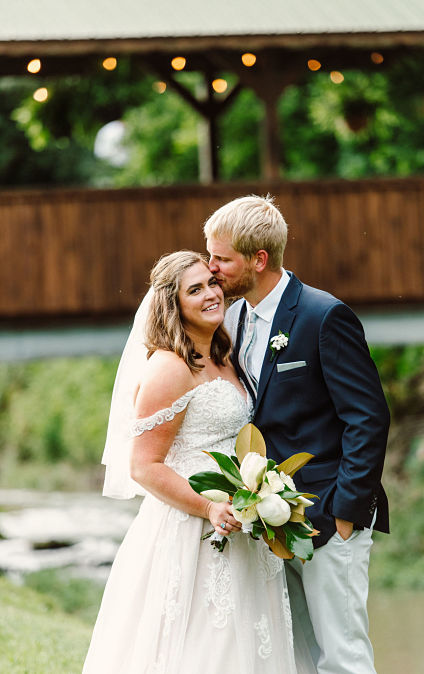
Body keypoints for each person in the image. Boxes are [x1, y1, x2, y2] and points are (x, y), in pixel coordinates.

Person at [83, 250, 316, 674]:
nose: (211, 293)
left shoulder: (224, 354)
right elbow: (144, 466)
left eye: (211, 282)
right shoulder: (169, 368)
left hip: (240, 522)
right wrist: (208, 508)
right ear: (175, 304)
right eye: (195, 290)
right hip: (190, 530)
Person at [204, 195, 390, 674]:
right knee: (296, 659)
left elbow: (368, 418)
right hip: (267, 527)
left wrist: (345, 514)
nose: (212, 268)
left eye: (222, 258)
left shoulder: (323, 316)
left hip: (328, 520)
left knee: (342, 658)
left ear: (258, 259)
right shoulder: (232, 317)